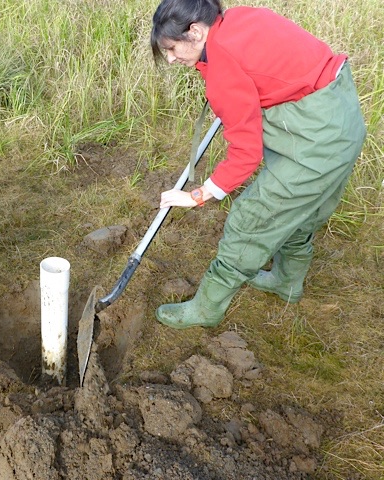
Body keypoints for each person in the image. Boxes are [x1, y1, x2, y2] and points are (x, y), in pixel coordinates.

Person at [150, 0, 365, 329]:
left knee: (252, 219)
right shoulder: (240, 18)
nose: (170, 58)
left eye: (171, 47)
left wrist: (197, 195)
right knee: (300, 211)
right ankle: (286, 282)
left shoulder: (224, 68)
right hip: (340, 114)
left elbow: (245, 154)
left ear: (195, 31)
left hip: (318, 139)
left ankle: (207, 309)